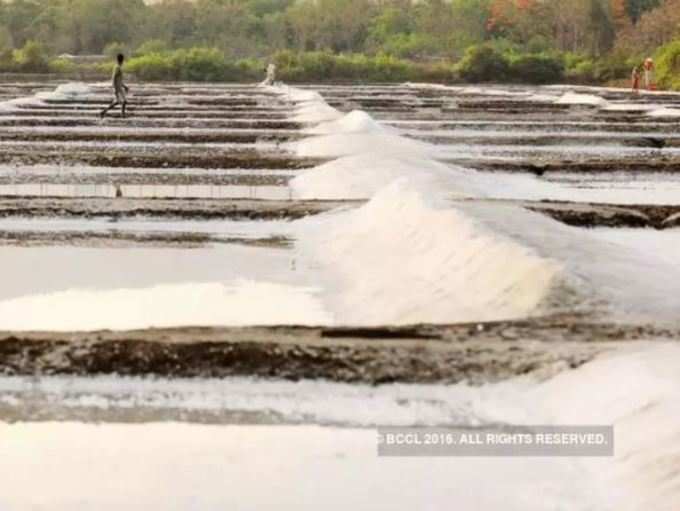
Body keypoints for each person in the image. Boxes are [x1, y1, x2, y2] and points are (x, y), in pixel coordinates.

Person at [100, 53, 129, 118]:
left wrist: (124, 86)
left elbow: (119, 80)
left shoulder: (118, 67)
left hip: (119, 88)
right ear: (122, 60)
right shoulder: (117, 67)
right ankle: (122, 115)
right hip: (117, 88)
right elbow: (114, 78)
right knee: (123, 101)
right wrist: (115, 88)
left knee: (119, 102)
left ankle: (104, 112)